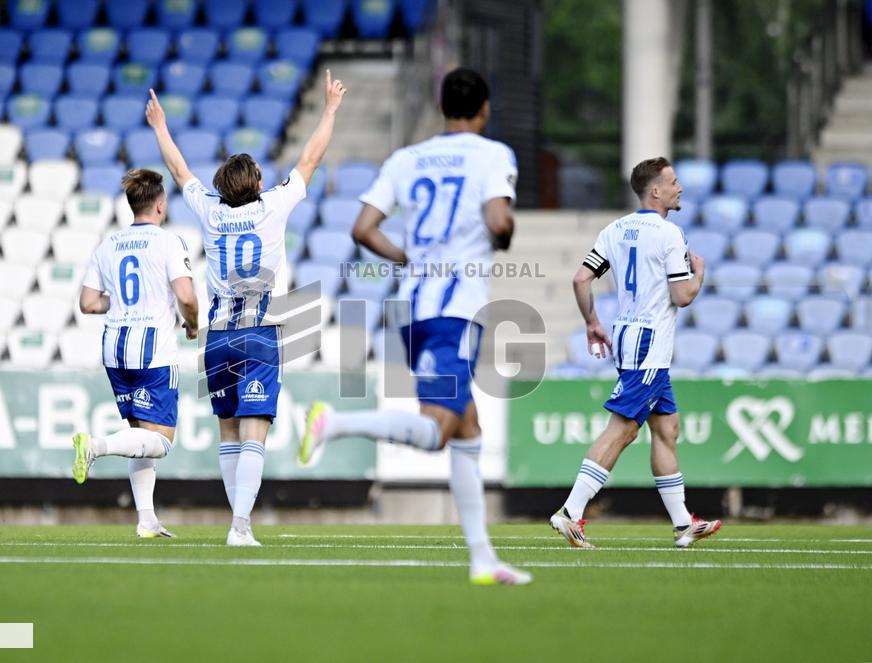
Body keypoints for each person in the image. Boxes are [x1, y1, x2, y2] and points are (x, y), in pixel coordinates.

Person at [298, 67, 531, 585]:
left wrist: (408, 258)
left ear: (443, 106)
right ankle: (334, 424)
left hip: (414, 308)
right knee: (436, 432)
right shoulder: (494, 156)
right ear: (485, 107)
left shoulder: (408, 158)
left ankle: (483, 561)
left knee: (468, 431)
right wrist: (506, 230)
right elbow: (498, 222)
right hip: (453, 314)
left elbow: (363, 228)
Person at [146, 71, 347, 546]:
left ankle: (237, 523)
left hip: (217, 336)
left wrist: (159, 127)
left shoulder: (211, 212)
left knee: (229, 433)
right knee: (255, 432)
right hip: (260, 332)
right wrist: (331, 110)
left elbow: (179, 173)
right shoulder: (274, 205)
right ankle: (240, 526)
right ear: (256, 182)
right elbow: (310, 158)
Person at [549, 156, 721, 549]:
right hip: (649, 341)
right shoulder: (669, 234)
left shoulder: (616, 229)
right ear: (655, 190)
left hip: (628, 335)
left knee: (667, 429)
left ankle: (683, 524)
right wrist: (700, 276)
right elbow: (683, 295)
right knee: (623, 429)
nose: (680, 188)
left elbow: (581, 279)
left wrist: (592, 322)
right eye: (674, 182)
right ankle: (570, 513)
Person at [71, 168, 199, 539]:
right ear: (160, 204)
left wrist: (126, 302)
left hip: (116, 349)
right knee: (159, 442)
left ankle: (146, 519)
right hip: (153, 351)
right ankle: (96, 446)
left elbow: (88, 303)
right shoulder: (168, 242)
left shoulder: (108, 244)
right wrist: (192, 324)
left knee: (140, 435)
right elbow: (187, 297)